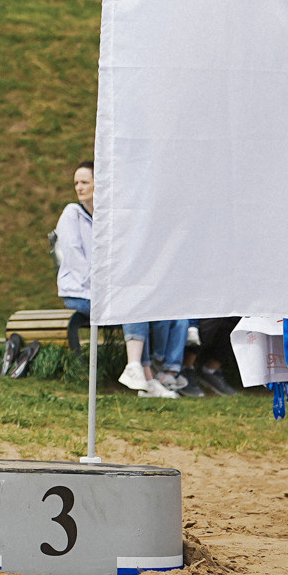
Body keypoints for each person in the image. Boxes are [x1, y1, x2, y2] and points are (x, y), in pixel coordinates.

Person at [54, 160, 184, 399]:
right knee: (129, 303)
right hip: (80, 294)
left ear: (99, 184)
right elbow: (76, 262)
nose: (79, 187)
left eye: (85, 182)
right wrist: (108, 290)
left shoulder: (108, 218)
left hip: (109, 292)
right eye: (76, 183)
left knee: (146, 303)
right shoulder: (71, 214)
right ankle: (139, 371)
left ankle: (147, 375)